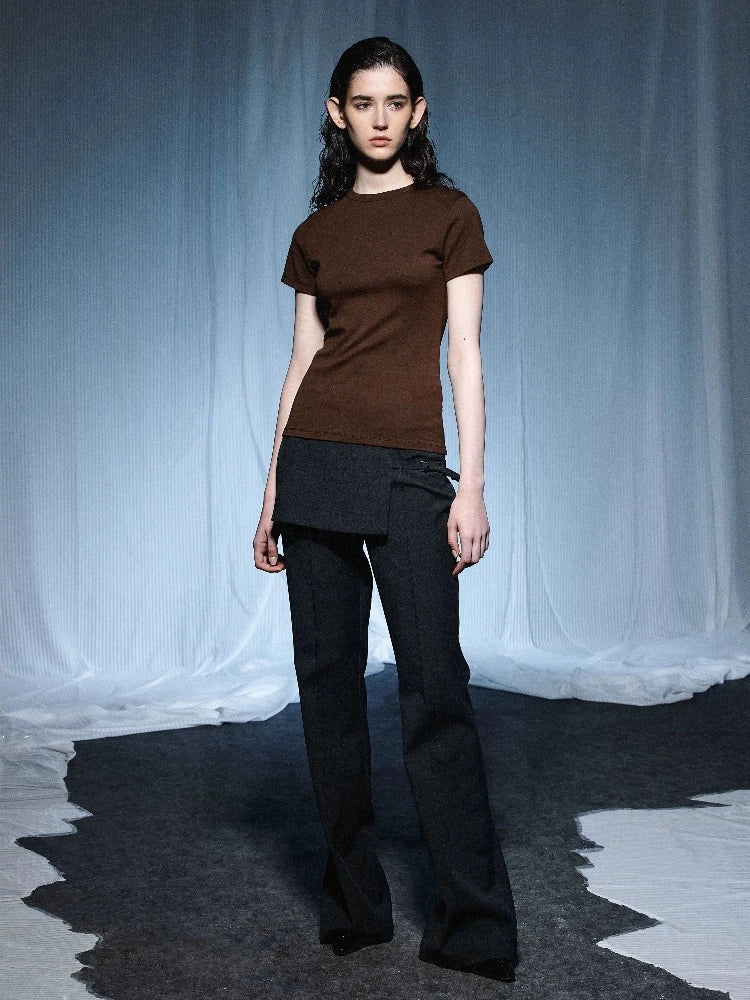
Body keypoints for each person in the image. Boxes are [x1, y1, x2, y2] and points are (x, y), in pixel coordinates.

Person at [254, 36, 518, 985]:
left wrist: (471, 484)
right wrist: (272, 491)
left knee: (434, 690)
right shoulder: (317, 232)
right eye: (361, 102)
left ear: (418, 111)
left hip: (409, 471)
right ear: (337, 113)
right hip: (315, 467)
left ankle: (475, 923)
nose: (378, 117)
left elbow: (465, 354)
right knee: (327, 691)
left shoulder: (450, 215)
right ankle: (355, 904)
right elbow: (301, 362)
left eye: (394, 101)